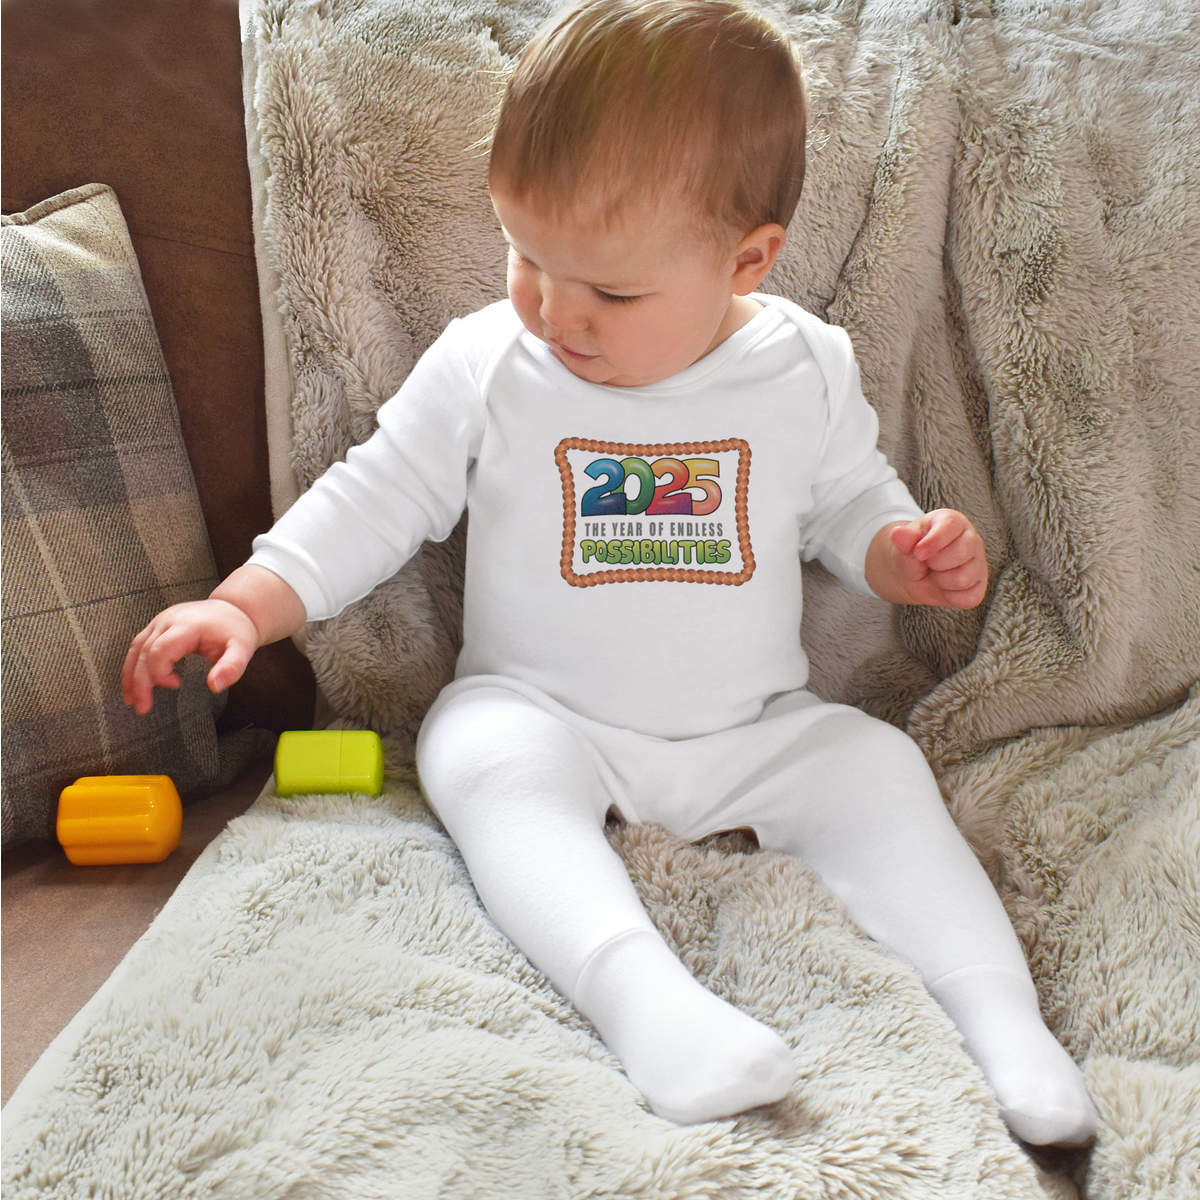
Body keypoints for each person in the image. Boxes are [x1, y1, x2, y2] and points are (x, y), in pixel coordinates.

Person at [122, 0, 1098, 1142]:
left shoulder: (802, 365)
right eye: (526, 257)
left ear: (747, 260)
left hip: (754, 729)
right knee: (472, 750)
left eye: (613, 293)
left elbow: (845, 499)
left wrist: (901, 554)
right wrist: (244, 604)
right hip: (549, 715)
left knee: (877, 768)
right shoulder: (492, 363)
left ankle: (1004, 1026)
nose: (554, 311)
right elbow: (375, 495)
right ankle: (650, 1010)